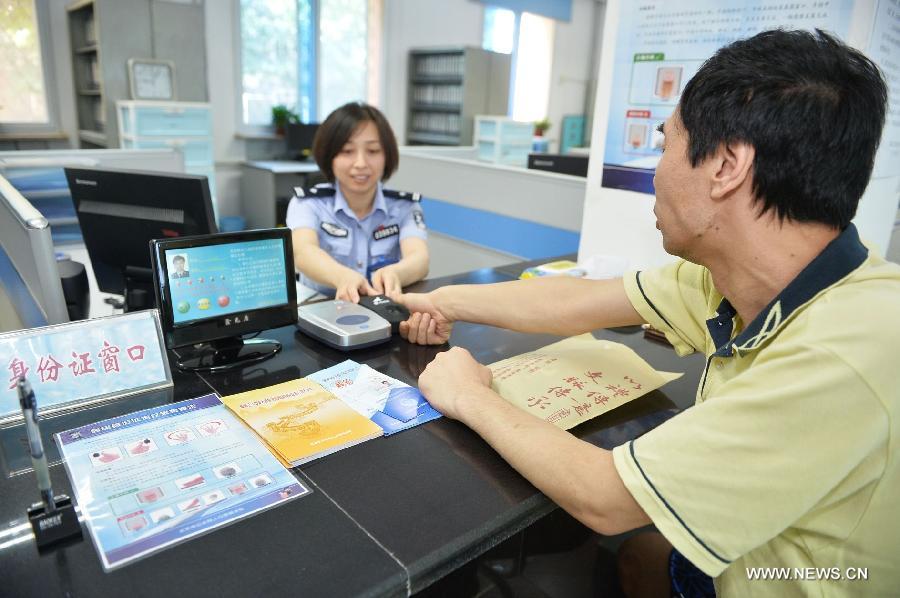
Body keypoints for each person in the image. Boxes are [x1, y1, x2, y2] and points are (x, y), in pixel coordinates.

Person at [391, 30, 899, 596]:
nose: (655, 173)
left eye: (665, 147)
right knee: (641, 558)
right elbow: (577, 300)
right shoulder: (738, 278)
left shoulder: (845, 353)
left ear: (727, 165)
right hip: (753, 543)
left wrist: (467, 394)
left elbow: (608, 498)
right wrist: (441, 301)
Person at [287, 102, 429, 302]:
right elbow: (302, 252)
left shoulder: (404, 206)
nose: (361, 163)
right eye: (347, 151)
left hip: (382, 311)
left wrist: (396, 273)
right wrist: (342, 277)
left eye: (372, 151)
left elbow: (419, 259)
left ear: (387, 156)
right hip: (322, 311)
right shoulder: (308, 203)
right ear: (330, 157)